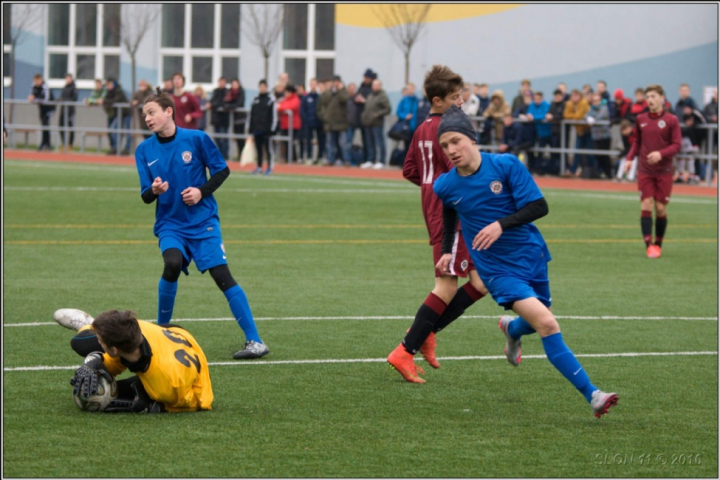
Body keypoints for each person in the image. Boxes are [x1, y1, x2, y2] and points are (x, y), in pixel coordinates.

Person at [433, 105, 619, 418]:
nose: (451, 150)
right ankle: (594, 395)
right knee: (547, 323)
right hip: (496, 269)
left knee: (540, 313)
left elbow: (539, 206)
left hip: (530, 255)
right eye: (445, 146)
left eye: (455, 141)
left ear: (472, 138)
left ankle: (512, 330)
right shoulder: (445, 184)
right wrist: (447, 249)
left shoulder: (505, 165)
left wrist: (500, 224)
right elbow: (450, 208)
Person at [135, 88, 269, 359]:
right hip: (170, 223)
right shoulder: (144, 150)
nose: (147, 119)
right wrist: (155, 190)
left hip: (203, 222)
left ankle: (255, 341)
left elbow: (222, 170)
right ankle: (162, 333)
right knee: (171, 264)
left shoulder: (196, 139)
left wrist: (200, 192)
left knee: (222, 277)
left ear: (168, 112)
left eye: (151, 113)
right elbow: (145, 195)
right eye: (144, 115)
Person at [387, 65, 488, 383]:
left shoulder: (421, 129)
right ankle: (406, 349)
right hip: (451, 210)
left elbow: (409, 170)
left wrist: (430, 186)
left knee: (482, 282)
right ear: (438, 99)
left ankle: (425, 332)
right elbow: (462, 170)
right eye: (455, 98)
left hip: (439, 204)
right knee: (446, 284)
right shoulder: (448, 131)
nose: (460, 103)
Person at [54, 308, 212, 413]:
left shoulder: (166, 385)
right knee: (82, 344)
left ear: (115, 350)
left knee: (116, 392)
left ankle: (91, 328)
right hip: (172, 333)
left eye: (101, 340)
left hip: (184, 380)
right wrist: (93, 360)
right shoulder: (136, 328)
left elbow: (194, 402)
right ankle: (88, 325)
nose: (99, 343)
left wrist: (154, 406)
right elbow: (112, 359)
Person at [625, 84, 682, 259]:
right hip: (645, 170)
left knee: (660, 208)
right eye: (648, 97)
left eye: (653, 97)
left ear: (662, 99)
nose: (650, 100)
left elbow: (677, 145)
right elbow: (637, 142)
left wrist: (660, 154)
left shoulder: (672, 120)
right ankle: (649, 245)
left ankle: (658, 243)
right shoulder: (640, 118)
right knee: (647, 205)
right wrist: (629, 158)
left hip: (664, 171)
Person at [317, 75, 350, 166]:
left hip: (341, 123)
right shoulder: (327, 93)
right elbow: (321, 106)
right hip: (330, 122)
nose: (335, 83)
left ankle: (346, 160)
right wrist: (325, 116)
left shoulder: (343, 92)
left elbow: (345, 99)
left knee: (343, 143)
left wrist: (339, 90)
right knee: (329, 143)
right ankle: (330, 159)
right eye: (334, 81)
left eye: (337, 82)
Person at [360, 78, 391, 169]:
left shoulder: (382, 96)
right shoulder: (370, 95)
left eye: (376, 85)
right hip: (368, 123)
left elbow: (388, 109)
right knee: (370, 143)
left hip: (377, 123)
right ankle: (371, 160)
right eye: (373, 85)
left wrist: (377, 114)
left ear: (380, 86)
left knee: (379, 142)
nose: (374, 87)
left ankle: (381, 160)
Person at [248, 79, 277, 175]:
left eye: (264, 86)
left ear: (267, 87)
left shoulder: (271, 100)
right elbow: (251, 114)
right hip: (257, 129)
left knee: (268, 149)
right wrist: (250, 128)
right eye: (260, 87)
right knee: (258, 149)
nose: (262, 88)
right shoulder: (255, 99)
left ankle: (269, 167)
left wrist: (272, 129)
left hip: (267, 130)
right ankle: (259, 167)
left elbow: (274, 115)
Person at [563, 89, 591, 177]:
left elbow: (579, 116)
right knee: (577, 150)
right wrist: (574, 117)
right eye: (573, 96)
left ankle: (594, 171)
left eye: (576, 96)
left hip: (587, 130)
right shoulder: (569, 103)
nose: (574, 98)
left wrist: (573, 117)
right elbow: (566, 115)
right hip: (579, 131)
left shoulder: (584, 103)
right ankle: (573, 170)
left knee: (590, 152)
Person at [101, 79, 132, 155]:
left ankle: (126, 149)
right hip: (118, 114)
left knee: (127, 132)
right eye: (107, 85)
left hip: (126, 113)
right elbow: (106, 100)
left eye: (110, 84)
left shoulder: (119, 91)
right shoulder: (108, 92)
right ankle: (115, 148)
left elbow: (115, 100)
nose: (108, 86)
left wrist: (107, 102)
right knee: (113, 130)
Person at [587, 92, 612, 179]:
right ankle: (600, 173)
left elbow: (601, 115)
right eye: (594, 101)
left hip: (605, 136)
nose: (595, 102)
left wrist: (592, 118)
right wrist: (588, 118)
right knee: (597, 155)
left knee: (605, 156)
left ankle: (608, 173)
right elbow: (587, 115)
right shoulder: (591, 108)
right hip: (595, 136)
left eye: (597, 100)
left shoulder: (604, 107)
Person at [300, 78, 325, 164]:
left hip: (318, 122)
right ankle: (309, 157)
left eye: (315, 84)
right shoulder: (305, 98)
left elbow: (322, 109)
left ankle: (319, 157)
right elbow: (302, 110)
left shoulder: (320, 98)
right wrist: (306, 119)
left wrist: (321, 118)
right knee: (308, 140)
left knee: (321, 140)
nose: (313, 86)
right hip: (308, 123)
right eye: (312, 84)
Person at [28, 73, 55, 151]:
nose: (37, 82)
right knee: (43, 125)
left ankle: (47, 144)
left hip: (49, 108)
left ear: (41, 80)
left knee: (46, 125)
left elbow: (46, 100)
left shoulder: (45, 87)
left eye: (38, 80)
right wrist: (31, 99)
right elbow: (31, 97)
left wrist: (35, 99)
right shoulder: (34, 86)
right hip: (41, 109)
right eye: (35, 80)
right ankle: (44, 143)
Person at [526, 91, 551, 174]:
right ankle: (534, 168)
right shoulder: (532, 105)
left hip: (546, 132)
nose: (537, 100)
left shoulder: (546, 105)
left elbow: (544, 115)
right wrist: (530, 116)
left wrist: (534, 118)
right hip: (534, 132)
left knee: (543, 151)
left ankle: (542, 170)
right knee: (532, 149)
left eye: (538, 99)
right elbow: (529, 114)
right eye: (535, 98)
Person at [276, 84, 302, 165]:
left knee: (291, 142)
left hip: (293, 125)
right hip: (284, 124)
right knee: (285, 142)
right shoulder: (285, 99)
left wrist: (280, 107)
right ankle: (287, 158)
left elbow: (290, 107)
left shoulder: (295, 99)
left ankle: (293, 158)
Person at [356, 69, 376, 163]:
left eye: (367, 78)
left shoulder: (373, 89)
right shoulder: (361, 87)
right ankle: (365, 159)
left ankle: (372, 159)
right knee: (364, 141)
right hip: (362, 119)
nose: (365, 79)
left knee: (372, 142)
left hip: (372, 120)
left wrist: (365, 101)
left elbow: (372, 103)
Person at [224, 78, 246, 160]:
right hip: (232, 118)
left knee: (241, 137)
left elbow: (239, 103)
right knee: (236, 137)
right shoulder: (229, 92)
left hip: (240, 118)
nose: (234, 86)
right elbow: (226, 102)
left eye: (235, 84)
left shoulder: (241, 92)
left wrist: (231, 106)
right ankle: (238, 155)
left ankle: (242, 155)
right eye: (233, 84)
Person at [545, 89, 566, 175]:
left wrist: (553, 117)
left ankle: (562, 170)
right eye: (555, 96)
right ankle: (554, 170)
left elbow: (562, 116)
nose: (556, 98)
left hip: (563, 133)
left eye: (558, 96)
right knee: (554, 152)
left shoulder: (564, 104)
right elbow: (549, 114)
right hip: (553, 131)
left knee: (562, 152)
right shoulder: (552, 104)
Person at [209, 77, 230, 160]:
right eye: (220, 82)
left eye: (223, 82)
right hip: (216, 119)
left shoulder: (227, 92)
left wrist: (213, 105)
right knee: (216, 138)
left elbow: (223, 103)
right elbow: (212, 101)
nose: (221, 83)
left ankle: (225, 155)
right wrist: (213, 104)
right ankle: (219, 153)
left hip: (224, 119)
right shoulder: (215, 91)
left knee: (224, 138)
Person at [58, 73, 78, 152]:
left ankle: (70, 145)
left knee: (70, 127)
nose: (67, 80)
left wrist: (65, 100)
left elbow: (74, 98)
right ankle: (64, 144)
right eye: (66, 78)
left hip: (70, 110)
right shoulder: (64, 87)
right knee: (61, 126)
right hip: (63, 110)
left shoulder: (74, 88)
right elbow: (62, 97)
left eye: (68, 78)